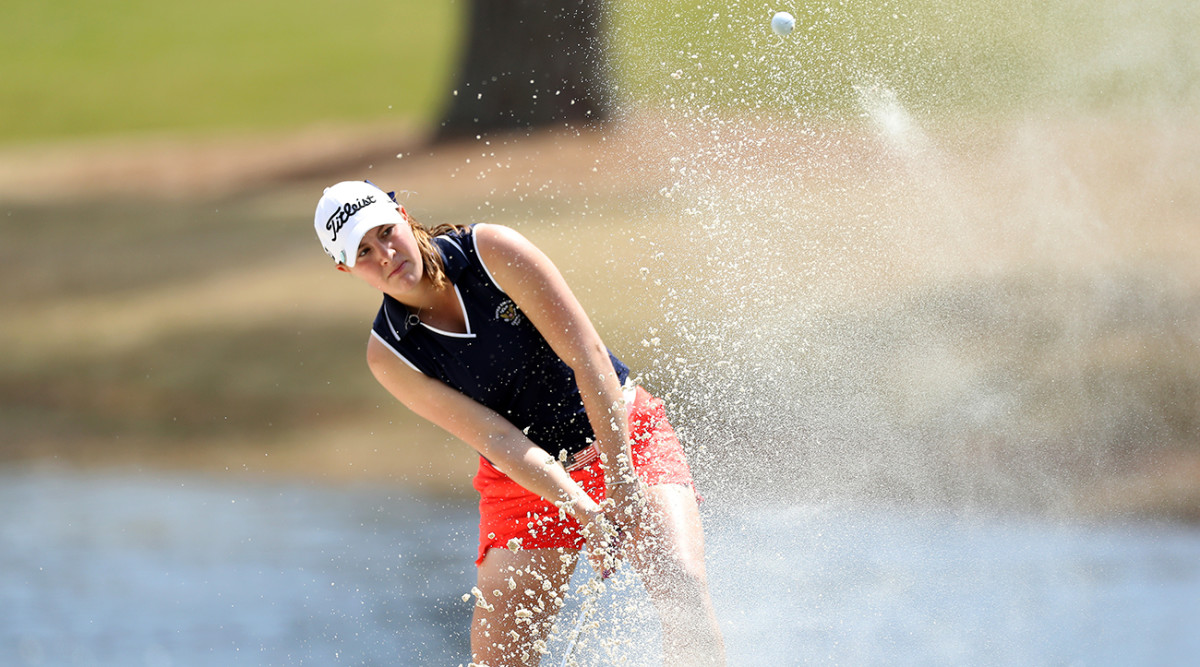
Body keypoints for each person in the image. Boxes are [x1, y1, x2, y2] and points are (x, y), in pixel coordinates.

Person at [314, 180, 725, 666]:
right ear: (344, 268)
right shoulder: (390, 356)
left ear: (403, 215)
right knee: (501, 660)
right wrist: (581, 508)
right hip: (522, 482)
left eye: (385, 232)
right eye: (363, 251)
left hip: (623, 435)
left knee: (683, 590)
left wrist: (622, 481)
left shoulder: (491, 250)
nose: (385, 254)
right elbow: (494, 437)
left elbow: (588, 358)